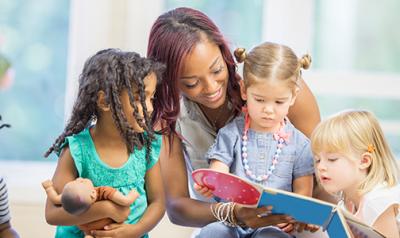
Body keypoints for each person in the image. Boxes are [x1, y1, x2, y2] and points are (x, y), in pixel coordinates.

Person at [147, 7, 324, 236]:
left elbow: (324, 174)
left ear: (224, 53)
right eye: (191, 83)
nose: (211, 88)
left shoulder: (276, 88)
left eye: (217, 70)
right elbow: (177, 207)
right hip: (222, 225)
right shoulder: (170, 119)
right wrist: (233, 213)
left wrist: (307, 217)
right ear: (168, 80)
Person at [194, 43, 318, 237]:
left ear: (293, 96)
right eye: (260, 100)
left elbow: (303, 193)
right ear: (244, 90)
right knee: (212, 232)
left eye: (279, 102)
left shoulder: (300, 145)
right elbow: (219, 173)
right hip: (233, 221)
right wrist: (210, 183)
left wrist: (293, 217)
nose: (268, 109)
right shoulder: (230, 134)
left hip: (274, 224)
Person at [43, 49, 165, 238]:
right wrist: (107, 209)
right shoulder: (77, 150)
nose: (149, 108)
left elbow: (158, 203)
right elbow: (52, 214)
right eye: (140, 98)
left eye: (151, 98)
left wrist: (134, 231)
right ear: (105, 101)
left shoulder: (146, 146)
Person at [311, 110, 400, 238]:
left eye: (332, 159)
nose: (320, 167)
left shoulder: (376, 201)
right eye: (317, 159)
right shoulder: (347, 202)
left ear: (364, 161)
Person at [42, 178, 139, 237]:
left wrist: (49, 188)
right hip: (106, 227)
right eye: (81, 182)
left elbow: (55, 199)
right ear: (93, 194)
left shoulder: (70, 198)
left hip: (87, 229)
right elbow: (125, 201)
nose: (78, 179)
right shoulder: (102, 191)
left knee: (89, 234)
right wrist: (133, 194)